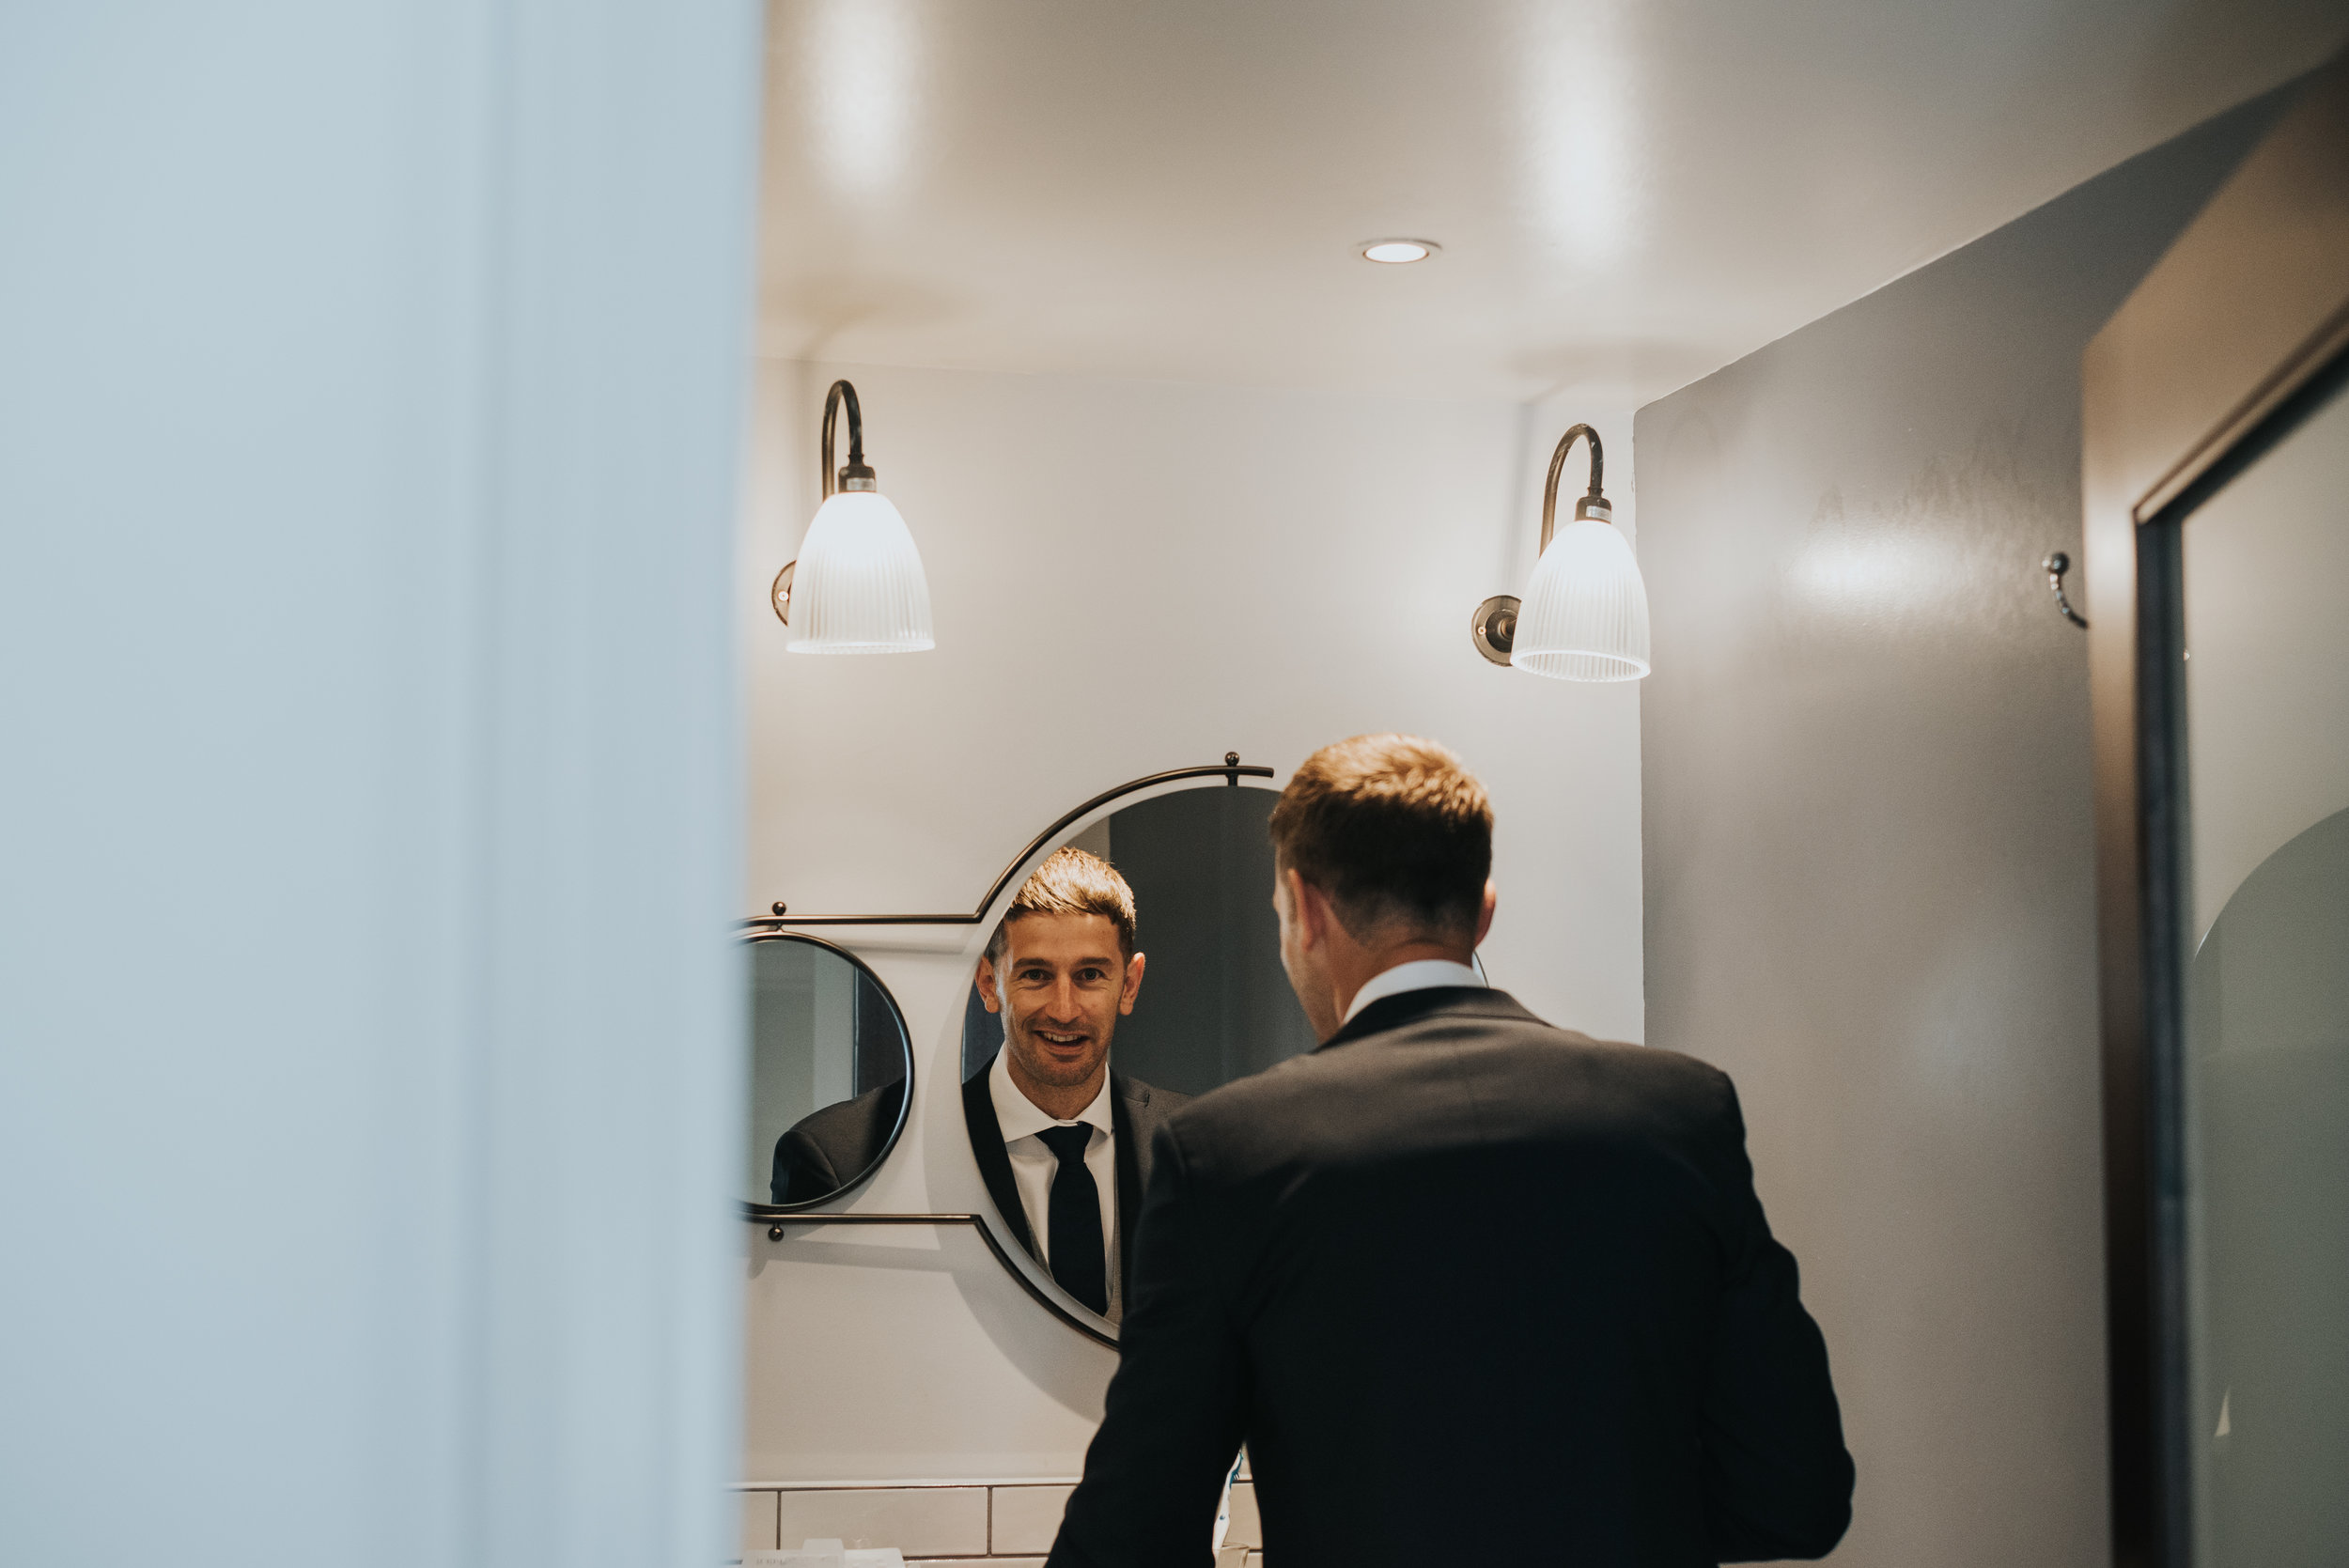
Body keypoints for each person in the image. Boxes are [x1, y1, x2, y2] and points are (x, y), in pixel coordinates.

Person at [1047, 735, 1854, 1567]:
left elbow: (1129, 1540)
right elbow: (1797, 1497)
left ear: (1306, 907)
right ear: (1485, 909)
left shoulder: (1227, 1154)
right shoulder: (1681, 1114)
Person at [965, 847, 1188, 1322]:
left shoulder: (1205, 1151)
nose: (1064, 1010)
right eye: (1036, 975)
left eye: (1089, 975)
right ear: (988, 983)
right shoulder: (870, 1155)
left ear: (1128, 985)